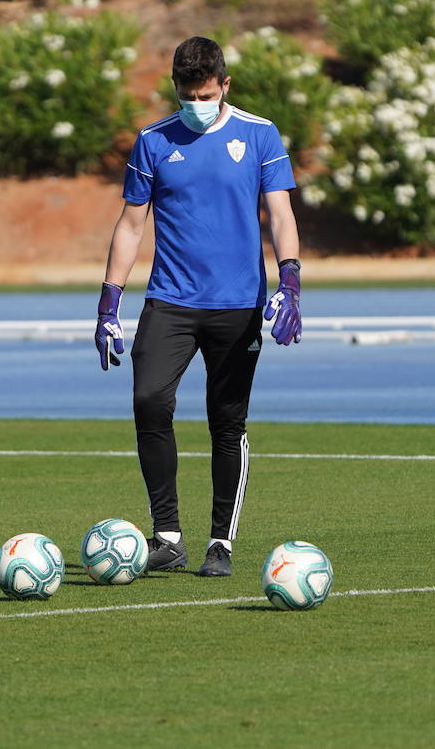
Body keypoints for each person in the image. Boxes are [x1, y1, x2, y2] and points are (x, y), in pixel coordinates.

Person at [94, 35, 302, 578]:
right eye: (188, 95)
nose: (197, 104)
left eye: (207, 94)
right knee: (148, 399)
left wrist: (291, 278)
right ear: (175, 88)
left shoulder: (260, 135)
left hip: (238, 304)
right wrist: (109, 300)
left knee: (225, 422)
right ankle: (166, 536)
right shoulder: (153, 141)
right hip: (170, 300)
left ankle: (220, 544)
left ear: (225, 85)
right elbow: (131, 224)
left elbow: (279, 214)